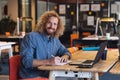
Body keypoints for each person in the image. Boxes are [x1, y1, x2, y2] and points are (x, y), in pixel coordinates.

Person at [19, 11, 77, 80]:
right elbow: (26, 62)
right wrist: (49, 61)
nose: (52, 26)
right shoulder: (31, 37)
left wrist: (65, 56)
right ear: (43, 23)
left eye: (55, 24)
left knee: (73, 77)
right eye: (49, 23)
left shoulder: (55, 40)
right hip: (32, 75)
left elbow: (65, 51)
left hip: (49, 73)